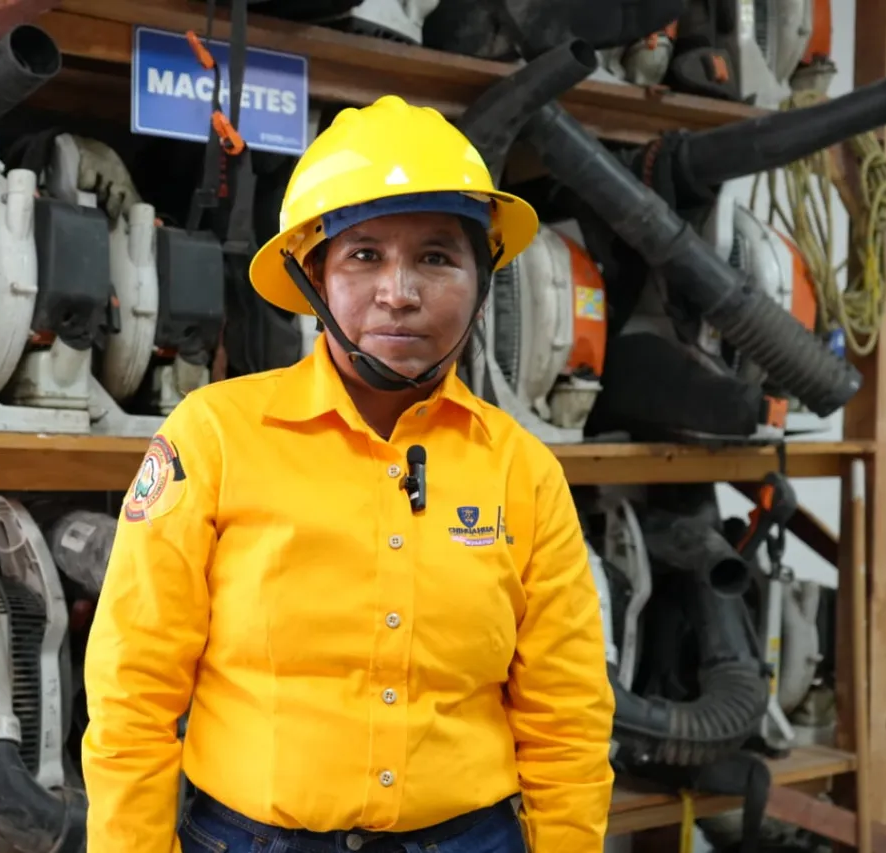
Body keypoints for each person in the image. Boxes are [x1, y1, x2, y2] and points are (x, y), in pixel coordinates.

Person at [82, 94, 616, 853]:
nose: (398, 291)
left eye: (436, 255)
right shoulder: (214, 437)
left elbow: (566, 717)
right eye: (365, 254)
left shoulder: (522, 473)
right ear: (314, 275)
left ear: (481, 274)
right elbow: (132, 692)